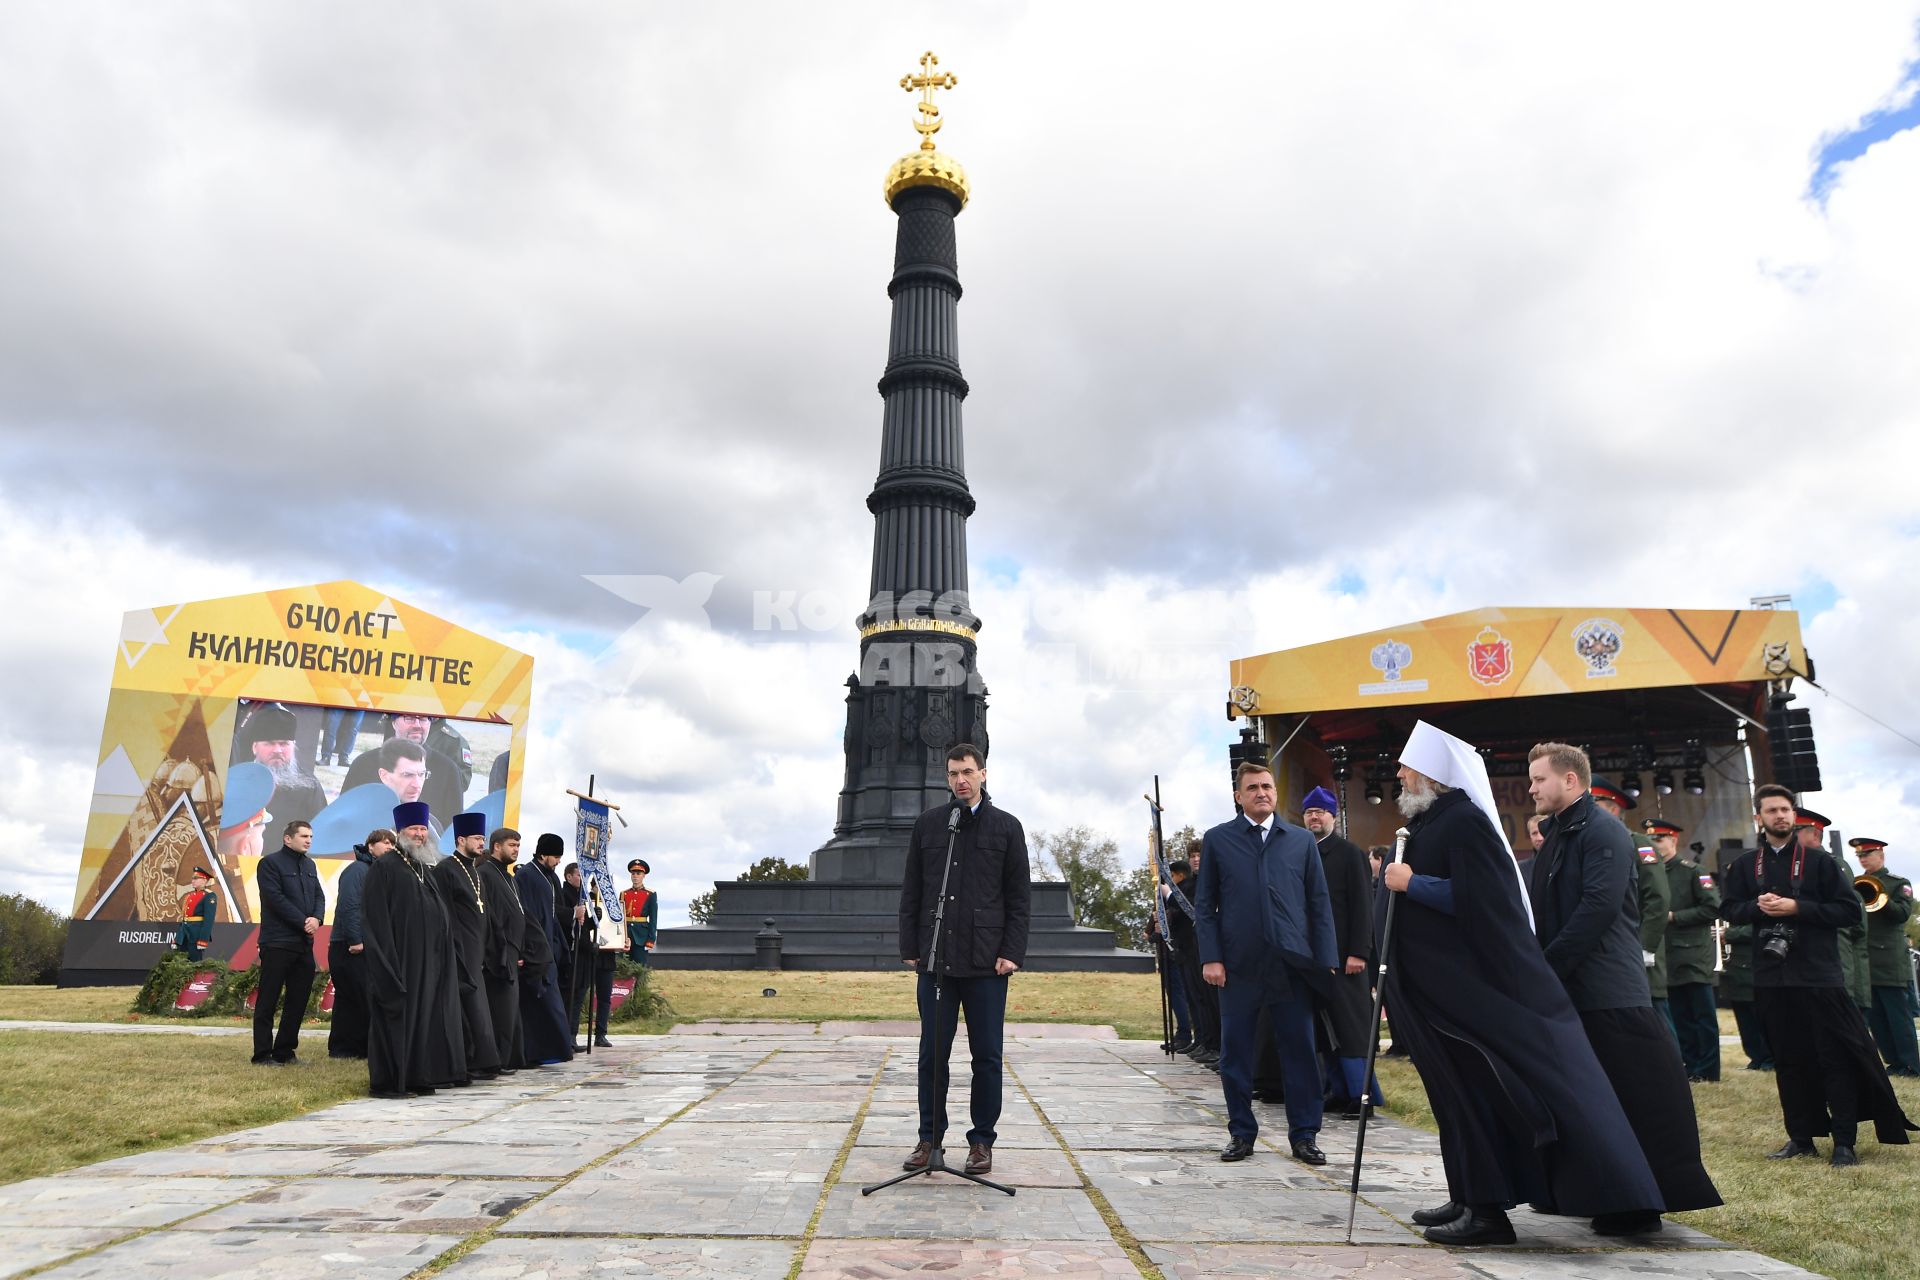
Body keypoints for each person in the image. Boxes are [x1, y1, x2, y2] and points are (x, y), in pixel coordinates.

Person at [1383, 721, 1661, 1247]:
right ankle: (1468, 1193)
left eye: (1406, 766)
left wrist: (1412, 883)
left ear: (1433, 774)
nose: (1398, 774)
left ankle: (1488, 1213)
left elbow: (1489, 901)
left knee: (1477, 1095)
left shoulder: (1464, 821)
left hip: (1470, 992)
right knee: (1455, 1098)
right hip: (1436, 992)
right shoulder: (1428, 824)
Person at [1528, 743, 1720, 1232]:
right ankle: (1585, 1191)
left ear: (1570, 781)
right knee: (1584, 1100)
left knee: (1638, 1099)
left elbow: (1597, 908)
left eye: (1539, 779)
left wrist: (1546, 966)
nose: (1531, 789)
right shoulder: (1560, 835)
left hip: (1610, 993)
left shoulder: (1606, 833)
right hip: (1572, 990)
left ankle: (1640, 1205)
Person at [1722, 784, 1915, 1166]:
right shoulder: (1745, 865)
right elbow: (1730, 909)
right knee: (1789, 1060)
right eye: (1772, 810)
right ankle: (1801, 1137)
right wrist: (1760, 909)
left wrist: (1798, 907)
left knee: (1834, 1058)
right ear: (1758, 818)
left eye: (1785, 810)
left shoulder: (1821, 864)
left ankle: (1844, 1140)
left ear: (1794, 815)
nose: (1780, 816)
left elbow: (1848, 912)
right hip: (1771, 976)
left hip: (1818, 975)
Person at [897, 743, 1032, 1178]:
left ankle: (981, 1143)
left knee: (986, 1056)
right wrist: (910, 947)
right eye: (954, 773)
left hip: (986, 963)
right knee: (931, 1054)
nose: (961, 780)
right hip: (936, 961)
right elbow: (912, 891)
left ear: (984, 774)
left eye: (968, 772)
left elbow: (1019, 898)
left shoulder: (1006, 828)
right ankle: (929, 1137)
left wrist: (1011, 951)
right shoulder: (930, 826)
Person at [1195, 761, 1337, 1167]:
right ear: (1239, 796)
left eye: (1268, 786)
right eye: (1253, 787)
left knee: (1300, 1051)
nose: (1262, 793)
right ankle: (1241, 1132)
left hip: (1292, 965)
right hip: (1239, 966)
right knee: (1235, 1053)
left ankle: (1305, 1135)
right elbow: (1206, 907)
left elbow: (1318, 903)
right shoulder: (1219, 840)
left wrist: (1325, 959)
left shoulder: (1299, 841)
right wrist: (1212, 957)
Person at [1299, 785, 1379, 1116]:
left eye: (1320, 811)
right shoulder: (1301, 853)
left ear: (1333, 816)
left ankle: (1364, 1097)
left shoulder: (1350, 854)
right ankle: (1339, 1089)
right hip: (1313, 960)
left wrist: (1359, 952)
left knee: (1351, 1030)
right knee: (1323, 1030)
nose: (1314, 816)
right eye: (1308, 812)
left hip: (1347, 959)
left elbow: (1363, 907)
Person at [1650, 818, 1722, 1081]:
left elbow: (1712, 907)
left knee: (1702, 1016)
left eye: (1659, 839)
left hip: (1693, 955)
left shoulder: (1693, 871)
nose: (1655, 845)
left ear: (1673, 840)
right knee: (1680, 1017)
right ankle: (1691, 1067)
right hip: (1666, 955)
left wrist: (1674, 917)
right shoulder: (1652, 871)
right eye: (1652, 840)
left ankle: (1709, 1070)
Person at [433, 811, 503, 1080]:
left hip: (477, 951)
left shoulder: (474, 871)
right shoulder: (446, 869)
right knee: (466, 1007)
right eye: (476, 838)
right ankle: (472, 1061)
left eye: (483, 838)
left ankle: (484, 1060)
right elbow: (445, 914)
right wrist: (456, 948)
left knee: (477, 1006)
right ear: (461, 839)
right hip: (459, 950)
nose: (481, 843)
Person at [252, 820, 325, 1066]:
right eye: (304, 836)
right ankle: (262, 1054)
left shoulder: (310, 865)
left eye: (311, 837)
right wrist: (304, 921)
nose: (308, 840)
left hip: (303, 943)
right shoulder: (270, 863)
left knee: (298, 999)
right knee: (268, 1000)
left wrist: (317, 918)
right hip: (277, 942)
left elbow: (318, 895)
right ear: (287, 838)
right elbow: (275, 899)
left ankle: (285, 1051)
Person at [1853, 838, 1920, 1076]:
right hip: (1866, 959)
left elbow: (1902, 914)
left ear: (1880, 856)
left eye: (1867, 855)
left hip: (1890, 961)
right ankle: (1893, 1062)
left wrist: (1882, 898)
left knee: (1898, 1017)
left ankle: (1911, 1064)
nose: (1862, 859)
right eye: (1860, 856)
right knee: (1877, 1019)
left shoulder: (1898, 883)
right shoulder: (1856, 884)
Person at [515, 834, 575, 1065]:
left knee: (553, 1004)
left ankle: (555, 1050)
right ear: (543, 854)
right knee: (542, 1005)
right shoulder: (527, 876)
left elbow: (552, 913)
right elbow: (528, 916)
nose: (559, 861)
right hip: (535, 950)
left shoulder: (550, 877)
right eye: (556, 856)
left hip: (550, 946)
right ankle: (541, 1052)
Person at [342, 714, 465, 824]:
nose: (417, 725)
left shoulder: (447, 769)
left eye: (423, 719)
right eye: (409, 718)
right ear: (393, 722)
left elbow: (453, 829)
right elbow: (344, 817)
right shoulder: (364, 764)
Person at [478, 828, 527, 1072]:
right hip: (497, 953)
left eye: (518, 845)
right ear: (497, 846)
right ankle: (496, 1060)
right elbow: (491, 916)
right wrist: (501, 951)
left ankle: (509, 1058)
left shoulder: (507, 876)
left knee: (510, 1010)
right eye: (511, 845)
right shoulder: (485, 873)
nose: (516, 850)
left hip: (512, 951)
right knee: (500, 1010)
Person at [328, 834, 379, 1060]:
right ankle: (352, 1047)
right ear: (371, 846)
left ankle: (346, 1047)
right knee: (356, 995)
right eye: (385, 842)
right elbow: (350, 906)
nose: (390, 847)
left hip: (363, 942)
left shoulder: (375, 871)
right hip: (348, 944)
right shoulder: (358, 870)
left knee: (352, 997)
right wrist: (355, 939)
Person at [235, 703, 327, 829]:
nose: (277, 750)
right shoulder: (238, 781)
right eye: (270, 743)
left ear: (293, 747)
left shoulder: (309, 785)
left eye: (284, 744)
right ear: (255, 747)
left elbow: (320, 830)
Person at [1166, 853, 1219, 1069]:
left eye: (1200, 855)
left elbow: (1190, 910)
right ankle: (1204, 1040)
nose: (1197, 859)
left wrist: (1170, 896)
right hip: (1187, 949)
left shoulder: (1194, 885)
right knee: (1197, 999)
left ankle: (1214, 1044)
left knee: (1208, 999)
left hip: (1198, 947)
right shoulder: (1192, 884)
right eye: (1193, 856)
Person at [563, 861, 619, 1049]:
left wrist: (596, 920)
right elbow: (574, 927)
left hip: (604, 954)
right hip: (581, 953)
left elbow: (617, 925)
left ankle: (600, 1034)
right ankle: (570, 1036)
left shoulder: (609, 901)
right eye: (596, 883)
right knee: (577, 996)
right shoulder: (575, 896)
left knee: (603, 997)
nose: (598, 886)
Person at [173, 867, 217, 960]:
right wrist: (177, 938)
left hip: (196, 936)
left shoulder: (209, 896)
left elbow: (208, 920)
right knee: (181, 964)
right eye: (193, 878)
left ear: (204, 880)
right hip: (184, 936)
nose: (193, 881)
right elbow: (184, 919)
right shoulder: (190, 896)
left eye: (196, 878)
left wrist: (203, 940)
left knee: (194, 965)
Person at [622, 859, 659, 962]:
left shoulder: (650, 894)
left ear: (643, 876)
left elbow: (653, 918)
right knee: (623, 967)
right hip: (626, 935)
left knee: (640, 967)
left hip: (642, 936)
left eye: (638, 873)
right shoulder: (624, 894)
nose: (635, 876)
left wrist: (651, 939)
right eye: (633, 873)